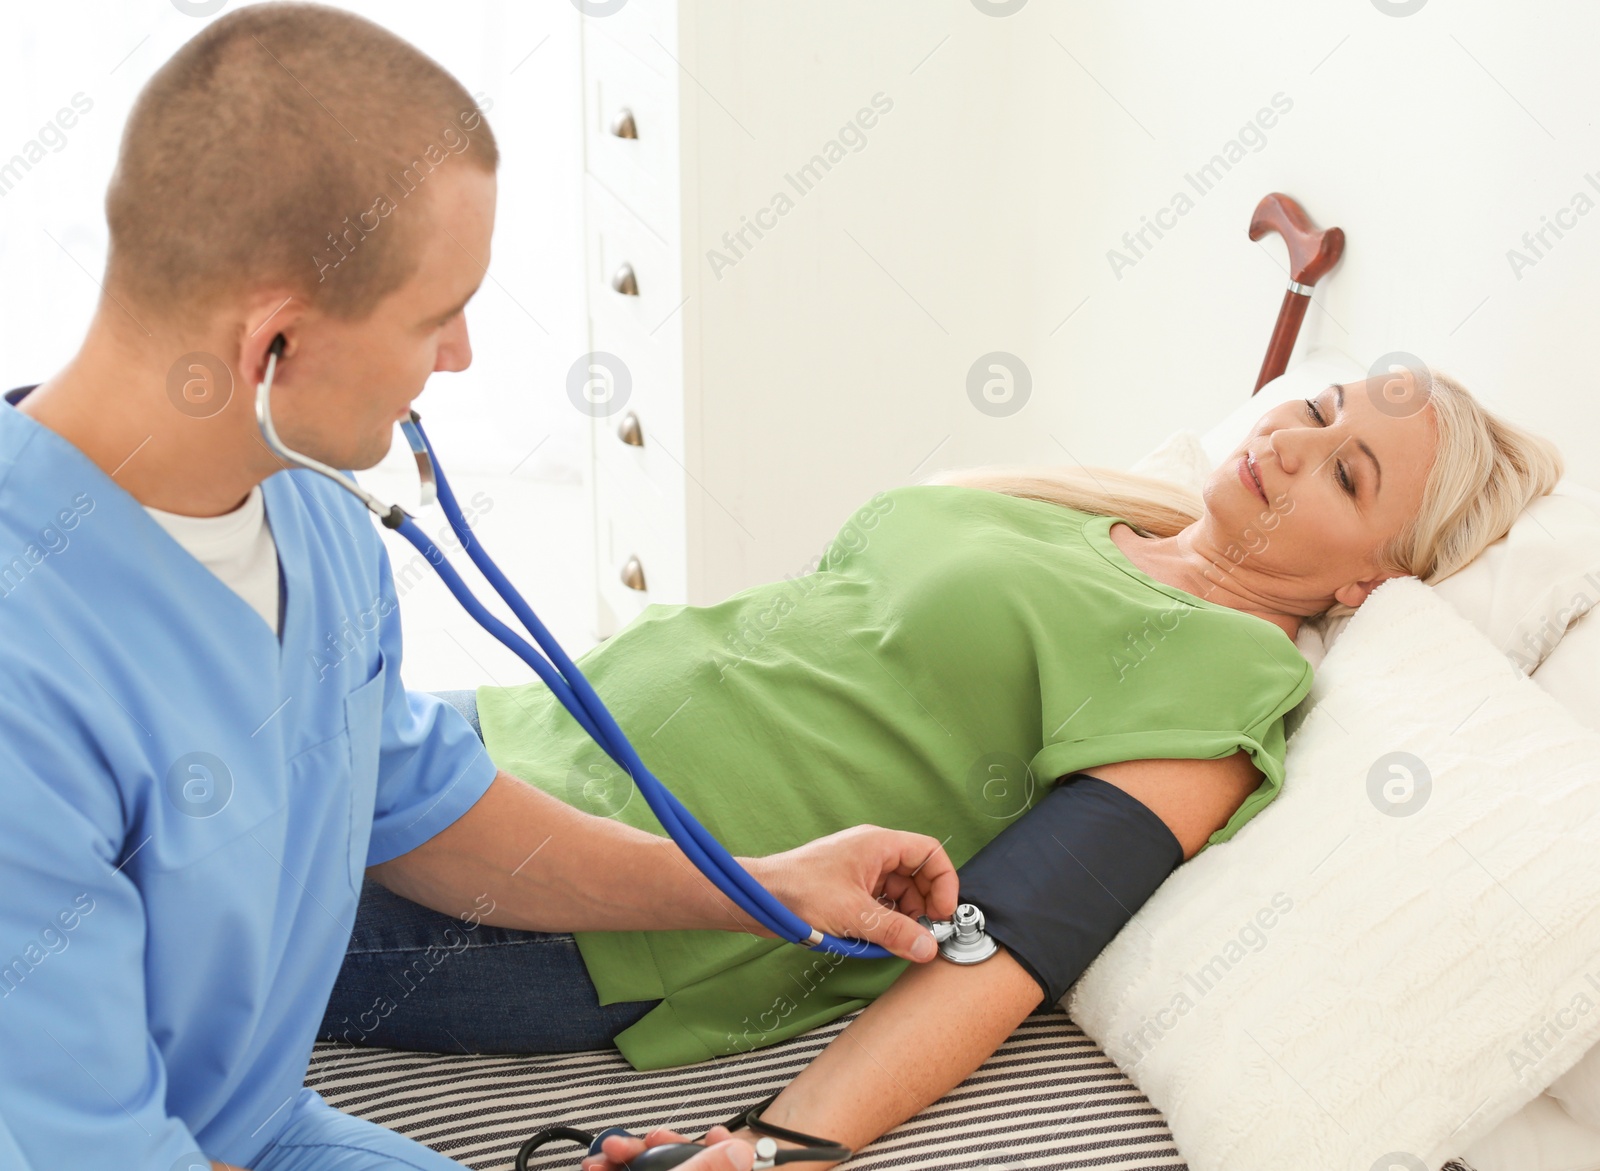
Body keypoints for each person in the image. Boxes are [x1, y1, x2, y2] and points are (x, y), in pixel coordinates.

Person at [0, 8, 959, 1171]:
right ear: (273, 348)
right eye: (436, 314)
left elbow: (418, 804)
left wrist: (760, 887)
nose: (459, 357)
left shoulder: (309, 507)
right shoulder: (27, 680)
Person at [380, 368, 1553, 1167]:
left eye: (1347, 475)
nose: (1289, 443)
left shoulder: (1230, 673)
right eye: (1316, 406)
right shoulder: (1087, 510)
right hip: (500, 732)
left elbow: (1012, 936)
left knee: (194, 910)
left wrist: (781, 1145)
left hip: (607, 900)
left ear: (1368, 583)